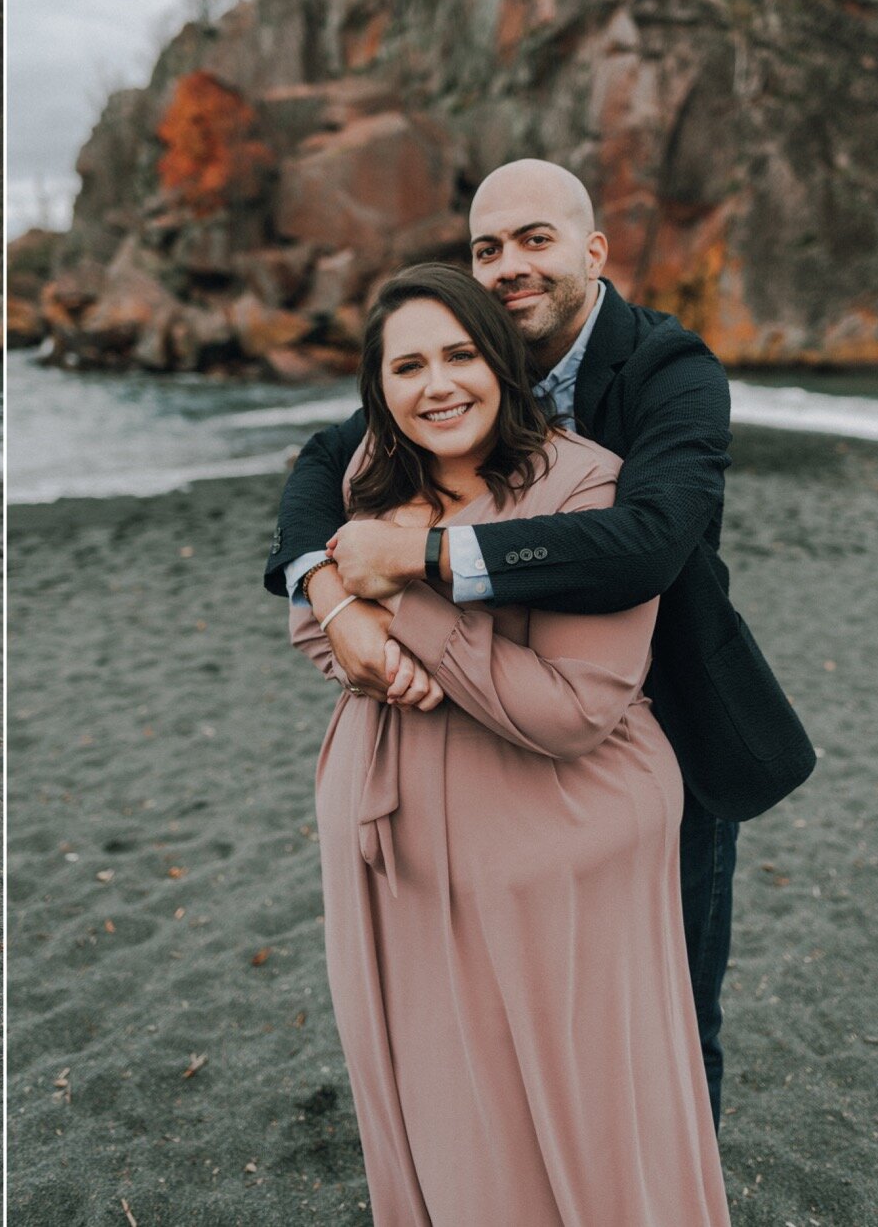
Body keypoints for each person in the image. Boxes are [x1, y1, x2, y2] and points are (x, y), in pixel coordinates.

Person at [266, 159, 813, 1125]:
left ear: (592, 253)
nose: (510, 266)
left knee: (672, 1007)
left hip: (662, 715)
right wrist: (330, 591)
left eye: (534, 240)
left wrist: (422, 556)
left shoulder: (669, 369)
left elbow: (647, 542)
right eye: (487, 249)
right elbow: (323, 460)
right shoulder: (473, 356)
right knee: (512, 1006)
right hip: (493, 728)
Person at [292, 263, 730, 1224]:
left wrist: (403, 600)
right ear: (379, 389)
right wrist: (335, 605)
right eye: (407, 366)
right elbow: (315, 617)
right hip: (387, 844)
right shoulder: (369, 472)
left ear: (503, 361)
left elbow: (573, 710)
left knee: (571, 1106)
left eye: (459, 355)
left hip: (549, 838)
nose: (436, 384)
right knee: (432, 1095)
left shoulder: (588, 480)